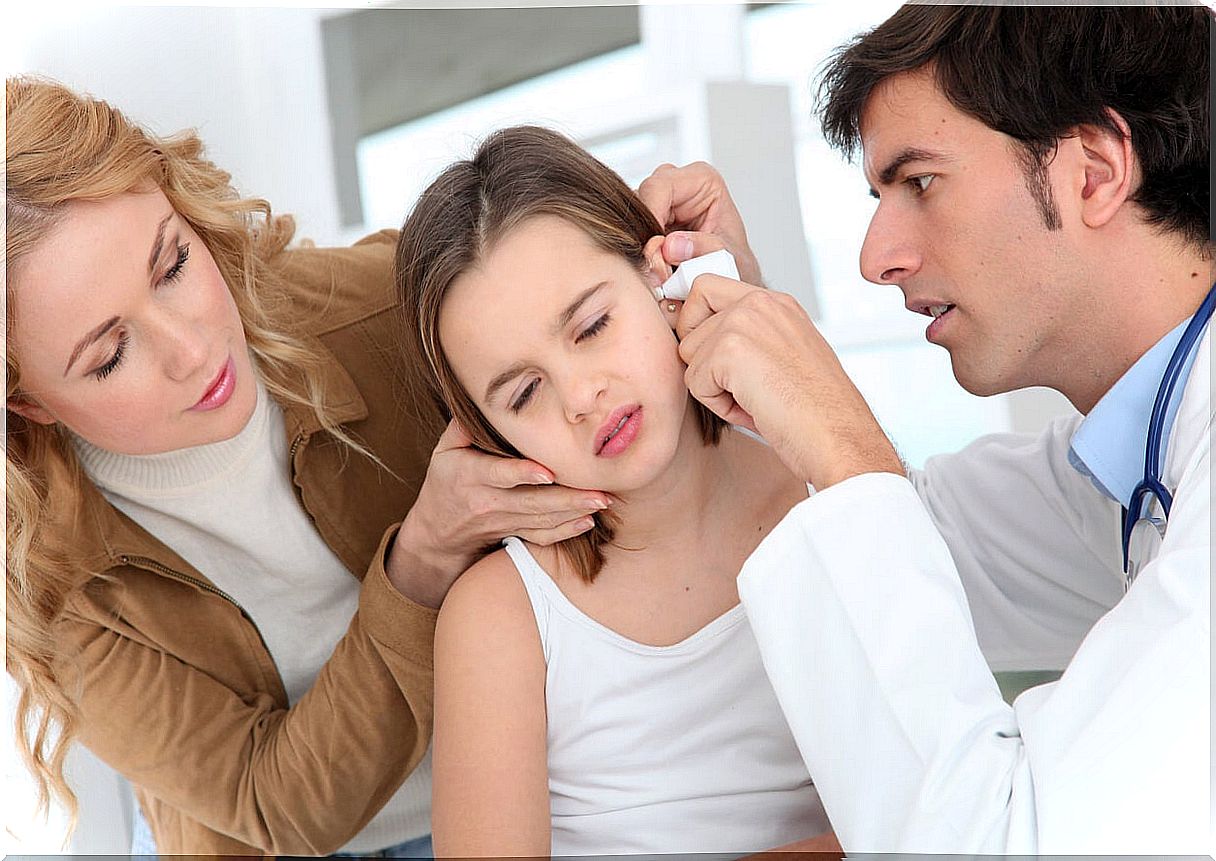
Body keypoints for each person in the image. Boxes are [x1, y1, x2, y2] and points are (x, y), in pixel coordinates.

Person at [637, 5, 1210, 855]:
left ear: (1094, 170)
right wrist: (741, 314)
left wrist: (842, 448)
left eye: (920, 182)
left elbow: (999, 841)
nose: (877, 258)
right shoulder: (1135, 457)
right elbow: (914, 540)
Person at [5, 77, 613, 856]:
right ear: (29, 406)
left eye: (173, 265)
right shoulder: (48, 579)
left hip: (538, 782)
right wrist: (421, 561)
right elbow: (279, 806)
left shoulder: (383, 308)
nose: (194, 350)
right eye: (111, 353)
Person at [394, 125, 832, 857]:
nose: (580, 395)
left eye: (592, 326)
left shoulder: (828, 487)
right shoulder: (501, 618)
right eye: (524, 392)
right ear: (489, 438)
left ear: (661, 274)